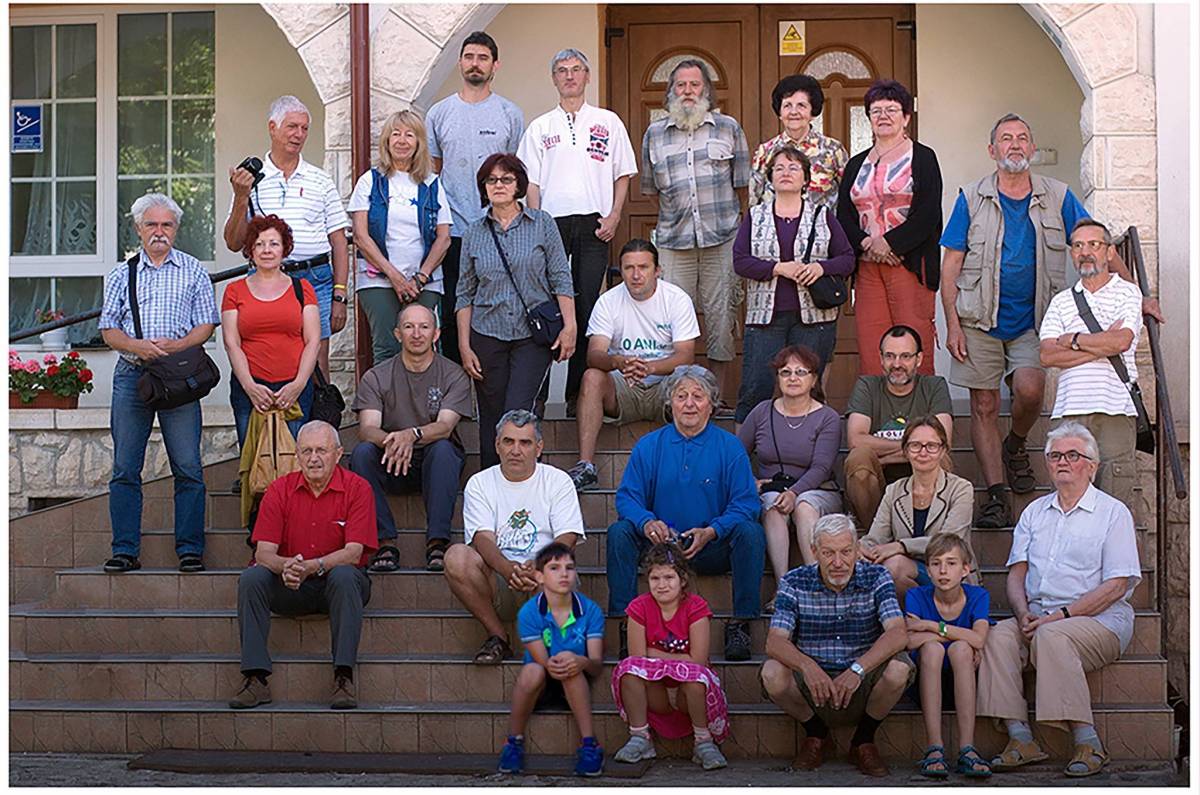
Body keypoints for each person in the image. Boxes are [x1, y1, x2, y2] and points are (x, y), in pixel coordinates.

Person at [940, 113, 1162, 529]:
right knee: (984, 404)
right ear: (992, 150)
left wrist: (1137, 294)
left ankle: (1016, 443)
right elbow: (951, 264)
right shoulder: (970, 198)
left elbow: (1100, 244)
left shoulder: (1057, 195)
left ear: (1032, 147)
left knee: (1030, 389)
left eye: (1023, 137)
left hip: (1034, 318)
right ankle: (997, 494)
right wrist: (952, 323)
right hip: (977, 318)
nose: (1015, 144)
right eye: (1006, 138)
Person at [976, 421, 1141, 778]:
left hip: (1100, 621)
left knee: (1052, 636)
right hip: (1040, 616)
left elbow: (1116, 586)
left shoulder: (1113, 513)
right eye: (1054, 456)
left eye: (1072, 455)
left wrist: (1060, 616)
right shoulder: (1034, 512)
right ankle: (1021, 738)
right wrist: (1022, 612)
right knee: (997, 635)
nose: (1062, 462)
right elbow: (1016, 575)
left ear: (1092, 466)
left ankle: (1088, 742)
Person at [606, 365, 765, 662]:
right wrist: (647, 522)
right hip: (660, 548)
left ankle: (741, 623)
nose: (689, 404)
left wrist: (713, 530)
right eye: (681, 396)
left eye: (698, 396)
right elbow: (627, 498)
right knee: (619, 532)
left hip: (711, 546)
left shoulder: (730, 447)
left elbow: (746, 503)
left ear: (711, 404)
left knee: (751, 532)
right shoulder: (649, 446)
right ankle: (628, 625)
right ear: (670, 403)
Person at [98, 193, 219, 574]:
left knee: (188, 466)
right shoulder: (122, 273)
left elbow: (206, 324)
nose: (159, 231)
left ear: (176, 229)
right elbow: (108, 330)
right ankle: (124, 551)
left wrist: (177, 346)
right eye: (151, 224)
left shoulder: (193, 270)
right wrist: (137, 346)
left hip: (178, 377)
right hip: (132, 375)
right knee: (124, 467)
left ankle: (190, 550)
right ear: (138, 228)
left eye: (167, 224)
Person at [517, 48, 638, 408]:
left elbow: (622, 173)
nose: (569, 76)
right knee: (545, 305)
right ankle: (536, 397)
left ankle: (576, 396)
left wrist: (614, 216)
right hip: (551, 223)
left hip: (593, 223)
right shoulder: (540, 127)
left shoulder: (607, 121)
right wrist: (536, 223)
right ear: (553, 78)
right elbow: (531, 182)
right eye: (562, 70)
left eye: (576, 69)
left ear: (587, 76)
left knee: (587, 305)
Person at [229, 421, 376, 711]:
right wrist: (287, 566)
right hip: (292, 584)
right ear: (296, 455)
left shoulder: (358, 488)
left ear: (338, 453)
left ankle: (343, 677)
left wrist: (313, 566)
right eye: (306, 451)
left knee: (345, 575)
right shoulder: (279, 489)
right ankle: (255, 678)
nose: (313, 458)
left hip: (338, 585)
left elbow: (353, 552)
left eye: (322, 450)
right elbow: (264, 553)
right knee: (251, 579)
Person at [760, 513, 915, 777]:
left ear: (857, 549)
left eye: (846, 551)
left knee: (899, 670)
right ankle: (816, 734)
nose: (838, 562)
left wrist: (858, 669)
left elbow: (898, 634)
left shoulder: (877, 576)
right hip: (813, 683)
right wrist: (808, 666)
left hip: (863, 677)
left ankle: (863, 740)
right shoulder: (794, 581)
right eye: (828, 553)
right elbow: (774, 641)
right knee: (772, 673)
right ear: (814, 552)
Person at [641, 59, 750, 406]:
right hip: (674, 242)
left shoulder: (728, 128)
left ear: (707, 90)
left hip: (722, 239)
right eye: (681, 85)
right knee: (672, 322)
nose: (688, 91)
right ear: (671, 91)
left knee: (721, 318)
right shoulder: (654, 134)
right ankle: (676, 396)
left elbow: (742, 186)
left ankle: (715, 398)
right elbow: (651, 190)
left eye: (695, 84)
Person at [456, 153, 576, 470]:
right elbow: (465, 292)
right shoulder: (474, 233)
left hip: (531, 337)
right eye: (491, 180)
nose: (499, 185)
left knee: (519, 413)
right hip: (486, 333)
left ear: (518, 185)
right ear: (484, 187)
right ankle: (489, 486)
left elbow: (561, 277)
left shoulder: (542, 224)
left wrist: (570, 326)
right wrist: (464, 346)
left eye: (506, 179)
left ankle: (526, 483)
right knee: (491, 417)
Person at [443, 411, 585, 665]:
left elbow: (568, 536)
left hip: (543, 578)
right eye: (508, 441)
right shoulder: (479, 483)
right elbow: (482, 538)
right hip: (498, 579)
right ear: (497, 445)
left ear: (539, 448)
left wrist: (539, 565)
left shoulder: (558, 481)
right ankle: (498, 637)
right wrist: (507, 569)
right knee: (456, 557)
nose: (515, 450)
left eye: (525, 443)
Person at [223, 95, 350, 377]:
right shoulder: (249, 180)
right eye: (292, 126)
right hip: (265, 278)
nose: (299, 134)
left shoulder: (320, 179)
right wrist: (241, 197)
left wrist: (340, 294)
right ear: (272, 127)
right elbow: (233, 243)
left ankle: (314, 409)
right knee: (266, 354)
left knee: (317, 365)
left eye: (304, 128)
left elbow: (339, 242)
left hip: (316, 277)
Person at [566, 238, 699, 491]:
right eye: (629, 268)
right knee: (592, 376)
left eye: (643, 267)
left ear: (657, 270)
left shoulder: (676, 299)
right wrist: (617, 361)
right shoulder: (608, 301)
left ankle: (692, 464)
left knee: (693, 379)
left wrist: (649, 367)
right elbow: (594, 355)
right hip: (622, 387)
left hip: (665, 388)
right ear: (621, 270)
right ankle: (585, 466)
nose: (636, 275)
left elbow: (685, 356)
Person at [734, 147, 855, 422]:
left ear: (806, 178)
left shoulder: (822, 215)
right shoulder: (755, 216)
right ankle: (745, 450)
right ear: (770, 178)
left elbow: (847, 259)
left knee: (810, 392)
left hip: (815, 319)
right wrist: (777, 268)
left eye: (793, 168)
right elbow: (740, 262)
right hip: (765, 319)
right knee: (755, 390)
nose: (785, 173)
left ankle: (813, 448)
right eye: (779, 168)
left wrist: (820, 267)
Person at [349, 303, 473, 573]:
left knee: (443, 449)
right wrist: (395, 443)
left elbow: (444, 426)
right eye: (409, 327)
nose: (417, 334)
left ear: (436, 334)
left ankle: (438, 542)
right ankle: (384, 542)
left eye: (424, 327)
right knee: (361, 453)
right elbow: (367, 429)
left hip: (435, 463)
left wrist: (411, 435)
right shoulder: (377, 376)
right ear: (397, 334)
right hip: (391, 459)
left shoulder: (453, 374)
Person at [427, 31, 525, 365]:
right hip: (453, 230)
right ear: (459, 63)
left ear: (495, 65)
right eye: (469, 57)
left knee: (497, 307)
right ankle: (457, 385)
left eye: (483, 58)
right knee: (454, 310)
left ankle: (490, 383)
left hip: (497, 229)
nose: (475, 63)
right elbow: (433, 172)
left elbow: (513, 172)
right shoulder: (439, 113)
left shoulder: (509, 113)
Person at [837, 79, 943, 377]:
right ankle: (877, 408)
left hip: (908, 265)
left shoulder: (923, 157)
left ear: (906, 117)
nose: (883, 116)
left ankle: (920, 409)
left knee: (913, 345)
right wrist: (867, 244)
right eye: (876, 111)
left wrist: (890, 244)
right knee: (873, 349)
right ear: (869, 118)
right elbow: (843, 215)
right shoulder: (856, 163)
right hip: (867, 267)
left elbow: (928, 213)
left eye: (891, 110)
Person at [1039, 219, 1143, 508]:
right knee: (1068, 501)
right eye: (1078, 246)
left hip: (1115, 409)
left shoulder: (1128, 292)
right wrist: (1101, 343)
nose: (1085, 252)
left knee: (1115, 504)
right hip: (1069, 411)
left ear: (1109, 252)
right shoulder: (1061, 301)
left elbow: (1121, 342)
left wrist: (1073, 339)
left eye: (1094, 245)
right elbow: (1047, 355)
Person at [611, 542, 730, 770]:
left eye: (669, 577)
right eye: (655, 578)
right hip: (655, 690)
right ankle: (640, 737)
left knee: (695, 677)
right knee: (628, 670)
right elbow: (637, 658)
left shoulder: (696, 606)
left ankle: (703, 741)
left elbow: (698, 661)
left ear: (682, 579)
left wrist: (654, 654)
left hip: (689, 693)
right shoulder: (638, 607)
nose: (662, 585)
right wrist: (679, 658)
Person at [347, 109, 452, 365]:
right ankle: (384, 395)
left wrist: (420, 277)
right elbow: (360, 235)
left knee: (424, 348)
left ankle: (425, 395)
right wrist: (395, 277)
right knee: (387, 348)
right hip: (378, 279)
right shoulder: (370, 181)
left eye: (409, 135)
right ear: (386, 140)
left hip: (425, 281)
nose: (402, 140)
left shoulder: (432, 183)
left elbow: (444, 238)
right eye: (396, 134)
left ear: (419, 143)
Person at [498, 542, 605, 776]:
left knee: (571, 667)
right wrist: (560, 662)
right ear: (539, 576)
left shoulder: (590, 610)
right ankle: (513, 741)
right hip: (541, 680)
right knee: (532, 670)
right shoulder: (529, 612)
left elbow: (596, 665)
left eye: (570, 568)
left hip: (577, 681)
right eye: (554, 568)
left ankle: (590, 744)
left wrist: (582, 661)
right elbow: (543, 661)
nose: (564, 574)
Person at [736, 345, 841, 584]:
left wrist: (794, 492)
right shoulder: (762, 412)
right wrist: (750, 481)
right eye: (786, 372)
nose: (793, 378)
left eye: (801, 372)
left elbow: (822, 467)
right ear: (778, 378)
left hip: (818, 490)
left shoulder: (828, 417)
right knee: (773, 505)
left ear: (814, 380)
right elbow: (736, 455)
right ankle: (783, 587)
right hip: (772, 489)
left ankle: (817, 584)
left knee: (804, 506)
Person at [221, 214, 319, 450]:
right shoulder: (234, 290)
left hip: (294, 388)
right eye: (259, 244)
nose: (266, 250)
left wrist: (298, 385)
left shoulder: (302, 288)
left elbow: (313, 340)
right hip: (250, 388)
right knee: (253, 460)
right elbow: (231, 343)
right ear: (250, 250)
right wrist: (250, 387)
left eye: (274, 243)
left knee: (295, 459)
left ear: (284, 249)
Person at [843, 326, 953, 528]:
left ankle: (927, 532)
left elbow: (942, 441)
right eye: (890, 356)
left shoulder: (934, 386)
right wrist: (916, 446)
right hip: (877, 482)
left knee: (940, 458)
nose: (897, 364)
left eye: (905, 356)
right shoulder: (867, 385)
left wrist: (885, 457)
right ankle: (875, 534)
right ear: (881, 358)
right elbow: (856, 440)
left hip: (920, 474)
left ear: (918, 359)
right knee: (859, 457)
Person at [905, 533, 992, 779]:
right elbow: (909, 640)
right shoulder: (916, 596)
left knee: (961, 649)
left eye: (951, 563)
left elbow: (978, 640)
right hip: (924, 684)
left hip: (965, 684)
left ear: (965, 569)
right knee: (932, 649)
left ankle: (967, 749)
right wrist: (959, 634)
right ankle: (934, 748)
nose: (943, 571)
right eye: (936, 564)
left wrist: (932, 627)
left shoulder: (977, 596)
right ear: (928, 570)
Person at [861, 416, 974, 604]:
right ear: (905, 451)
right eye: (915, 446)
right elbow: (875, 539)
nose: (923, 452)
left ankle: (932, 614)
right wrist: (857, 549)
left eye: (931, 446)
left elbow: (949, 541)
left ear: (943, 450)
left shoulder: (961, 488)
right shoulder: (894, 490)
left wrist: (901, 546)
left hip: (950, 573)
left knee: (894, 565)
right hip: (910, 573)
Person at [749, 74, 848, 208]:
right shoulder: (766, 152)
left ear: (812, 111)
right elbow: (754, 202)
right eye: (787, 105)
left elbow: (848, 197)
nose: (794, 112)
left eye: (801, 105)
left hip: (822, 221)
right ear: (779, 112)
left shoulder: (833, 150)